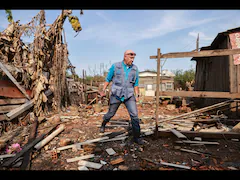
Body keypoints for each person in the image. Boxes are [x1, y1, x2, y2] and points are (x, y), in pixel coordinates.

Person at [99, 50, 144, 145]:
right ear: (125, 57)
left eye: (133, 58)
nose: (132, 60)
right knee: (110, 114)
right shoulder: (115, 66)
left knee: (134, 116)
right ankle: (103, 124)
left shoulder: (135, 69)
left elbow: (136, 84)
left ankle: (137, 137)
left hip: (129, 95)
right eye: (131, 58)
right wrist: (103, 90)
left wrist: (137, 95)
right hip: (116, 94)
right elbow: (108, 79)